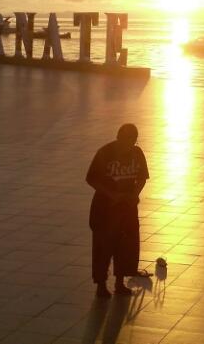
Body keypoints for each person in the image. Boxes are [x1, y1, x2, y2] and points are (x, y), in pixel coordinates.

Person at [86, 123, 149, 298]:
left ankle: (120, 282)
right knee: (103, 248)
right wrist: (112, 195)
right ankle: (101, 284)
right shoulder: (105, 153)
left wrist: (135, 194)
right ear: (118, 137)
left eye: (132, 140)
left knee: (126, 246)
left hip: (127, 208)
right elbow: (91, 179)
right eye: (125, 139)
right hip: (105, 208)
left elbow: (143, 177)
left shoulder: (137, 153)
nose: (128, 144)